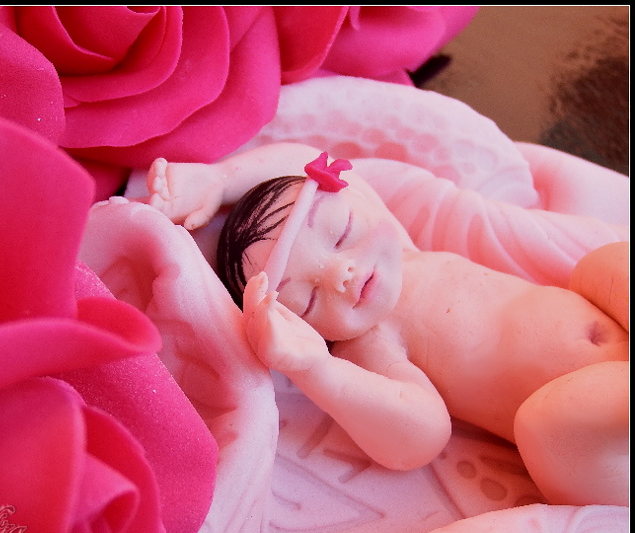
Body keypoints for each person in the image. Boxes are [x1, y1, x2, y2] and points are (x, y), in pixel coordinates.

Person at [145, 143, 629, 507]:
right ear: (305, 327)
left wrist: (218, 179)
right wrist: (314, 368)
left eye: (340, 234)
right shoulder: (369, 346)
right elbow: (418, 438)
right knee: (546, 422)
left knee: (602, 265)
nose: (341, 273)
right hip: (597, 445)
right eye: (310, 297)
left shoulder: (397, 243)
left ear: (357, 201)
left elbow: (307, 161)